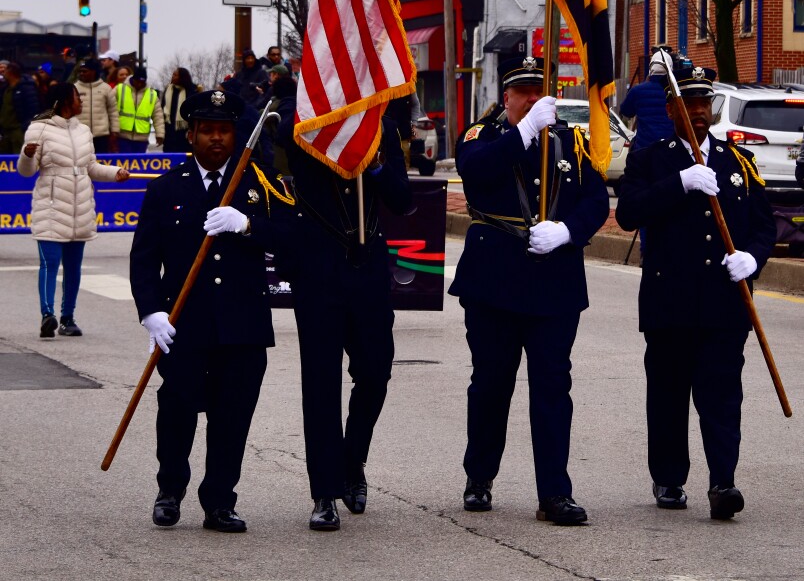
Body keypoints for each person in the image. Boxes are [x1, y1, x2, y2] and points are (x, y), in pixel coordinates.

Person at [450, 56, 610, 525]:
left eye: (539, 92)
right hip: (494, 282)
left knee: (553, 388)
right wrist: (521, 134)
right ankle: (479, 477)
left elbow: (597, 199)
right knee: (491, 385)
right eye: (523, 92)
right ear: (507, 98)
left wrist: (568, 231)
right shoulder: (484, 135)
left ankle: (555, 493)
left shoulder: (570, 143)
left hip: (553, 282)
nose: (532, 99)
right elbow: (474, 171)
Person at [615, 65, 776, 520]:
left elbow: (764, 226)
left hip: (726, 305)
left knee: (722, 395)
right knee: (668, 394)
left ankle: (723, 481)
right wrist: (680, 183)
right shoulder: (651, 160)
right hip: (671, 304)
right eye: (690, 104)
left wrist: (753, 258)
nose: (700, 112)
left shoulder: (737, 162)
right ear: (671, 110)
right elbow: (628, 213)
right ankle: (668, 478)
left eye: (705, 103)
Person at [129, 89, 277, 533]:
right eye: (207, 130)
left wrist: (247, 223)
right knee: (176, 410)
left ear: (236, 134)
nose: (216, 138)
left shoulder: (259, 184)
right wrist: (151, 312)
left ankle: (219, 501)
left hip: (243, 325)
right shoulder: (165, 188)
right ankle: (169, 490)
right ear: (190, 133)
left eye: (224, 130)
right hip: (184, 325)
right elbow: (143, 258)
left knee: (232, 418)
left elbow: (291, 237)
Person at [272, 90, 412, 532]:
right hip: (318, 267)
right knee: (321, 381)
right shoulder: (299, 127)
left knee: (375, 371)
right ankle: (324, 491)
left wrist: (378, 166)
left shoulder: (381, 127)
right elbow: (271, 162)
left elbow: (402, 199)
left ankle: (353, 461)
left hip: (367, 266)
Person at [17, 83, 129, 337]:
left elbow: (92, 167)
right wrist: (26, 154)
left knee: (73, 267)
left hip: (80, 209)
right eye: (78, 97)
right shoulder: (39, 128)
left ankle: (68, 318)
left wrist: (115, 173)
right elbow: (27, 171)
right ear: (67, 100)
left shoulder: (84, 131)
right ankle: (48, 315)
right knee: (50, 264)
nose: (81, 101)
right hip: (51, 207)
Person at [618, 49, 676, 152]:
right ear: (671, 68)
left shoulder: (637, 90)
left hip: (644, 149)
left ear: (650, 68)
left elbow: (626, 111)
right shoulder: (677, 92)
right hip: (671, 148)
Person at [73, 58, 119, 154]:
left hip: (101, 137)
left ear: (93, 71)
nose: (81, 74)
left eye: (85, 71)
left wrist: (114, 131)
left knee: (101, 165)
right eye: (80, 71)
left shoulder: (105, 88)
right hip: (80, 135)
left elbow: (113, 111)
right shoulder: (74, 88)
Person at [116, 66, 165, 153]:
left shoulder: (152, 94)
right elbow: (111, 110)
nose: (139, 84)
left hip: (141, 138)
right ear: (133, 78)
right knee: (123, 165)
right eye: (137, 81)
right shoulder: (120, 89)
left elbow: (158, 117)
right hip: (122, 137)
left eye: (142, 82)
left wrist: (160, 134)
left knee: (139, 165)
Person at [0, 63, 40, 154]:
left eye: (5, 71)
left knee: (20, 158)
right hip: (6, 132)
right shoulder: (6, 88)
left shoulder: (26, 87)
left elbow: (33, 110)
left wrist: (24, 127)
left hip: (19, 131)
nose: (3, 73)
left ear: (11, 72)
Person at [161, 67, 196, 153]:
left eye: (175, 75)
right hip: (169, 133)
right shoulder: (168, 90)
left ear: (182, 77)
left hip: (185, 133)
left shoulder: (192, 91)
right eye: (173, 74)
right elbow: (162, 109)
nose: (173, 77)